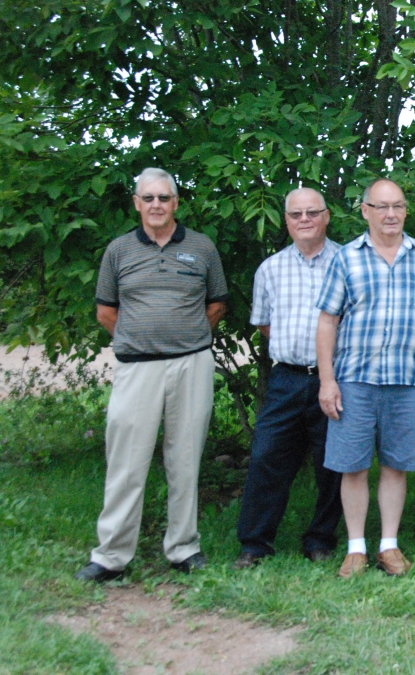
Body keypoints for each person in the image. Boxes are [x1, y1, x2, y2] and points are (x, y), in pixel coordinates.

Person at [76, 167, 228, 583]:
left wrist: (185, 337)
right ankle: (111, 556)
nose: (157, 205)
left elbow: (217, 304)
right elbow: (106, 311)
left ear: (175, 202)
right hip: (136, 368)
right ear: (136, 203)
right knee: (125, 463)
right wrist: (140, 338)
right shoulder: (118, 250)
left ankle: (184, 548)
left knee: (185, 459)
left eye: (164, 197)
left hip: (190, 365)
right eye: (149, 198)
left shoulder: (202, 247)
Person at [315, 179, 415, 578]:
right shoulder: (346, 258)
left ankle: (389, 545)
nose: (391, 214)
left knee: (395, 465)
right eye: (382, 206)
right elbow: (327, 321)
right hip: (354, 379)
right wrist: (327, 381)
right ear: (365, 211)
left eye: (398, 206)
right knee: (352, 466)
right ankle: (356, 548)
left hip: (404, 379)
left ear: (405, 210)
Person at [232, 187, 344, 569]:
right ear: (286, 221)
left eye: (312, 212)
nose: (304, 220)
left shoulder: (348, 262)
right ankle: (254, 544)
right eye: (296, 214)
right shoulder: (270, 269)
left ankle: (320, 539)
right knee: (267, 456)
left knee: (332, 463)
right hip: (287, 379)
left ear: (326, 216)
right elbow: (265, 325)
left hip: (336, 378)